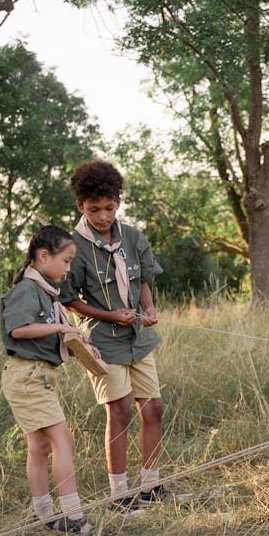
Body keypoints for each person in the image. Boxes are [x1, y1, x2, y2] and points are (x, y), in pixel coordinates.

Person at [60, 158, 171, 514]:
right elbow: (69, 299)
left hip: (138, 337)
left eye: (109, 208)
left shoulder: (133, 237)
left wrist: (148, 310)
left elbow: (142, 284)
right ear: (81, 206)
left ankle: (151, 487)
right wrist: (109, 315)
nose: (103, 216)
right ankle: (119, 496)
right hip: (103, 339)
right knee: (120, 411)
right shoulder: (73, 247)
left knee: (153, 407)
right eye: (94, 210)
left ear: (118, 203)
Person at [0, 224, 97, 536]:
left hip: (39, 374)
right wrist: (58, 329)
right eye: (66, 261)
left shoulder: (45, 292)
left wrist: (77, 338)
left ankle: (43, 513)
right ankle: (73, 515)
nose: (68, 268)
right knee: (63, 440)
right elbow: (18, 329)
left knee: (40, 446)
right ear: (43, 256)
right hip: (27, 375)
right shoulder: (25, 291)